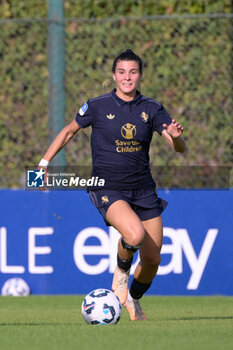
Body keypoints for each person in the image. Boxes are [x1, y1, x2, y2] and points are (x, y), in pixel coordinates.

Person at [38, 49, 185, 321]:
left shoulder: (152, 108)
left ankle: (133, 298)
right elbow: (69, 131)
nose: (127, 77)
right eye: (122, 72)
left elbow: (178, 147)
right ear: (114, 75)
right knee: (135, 235)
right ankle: (120, 276)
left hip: (143, 190)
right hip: (107, 187)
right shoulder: (96, 105)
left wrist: (176, 138)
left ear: (140, 75)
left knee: (152, 260)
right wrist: (44, 164)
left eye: (132, 72)